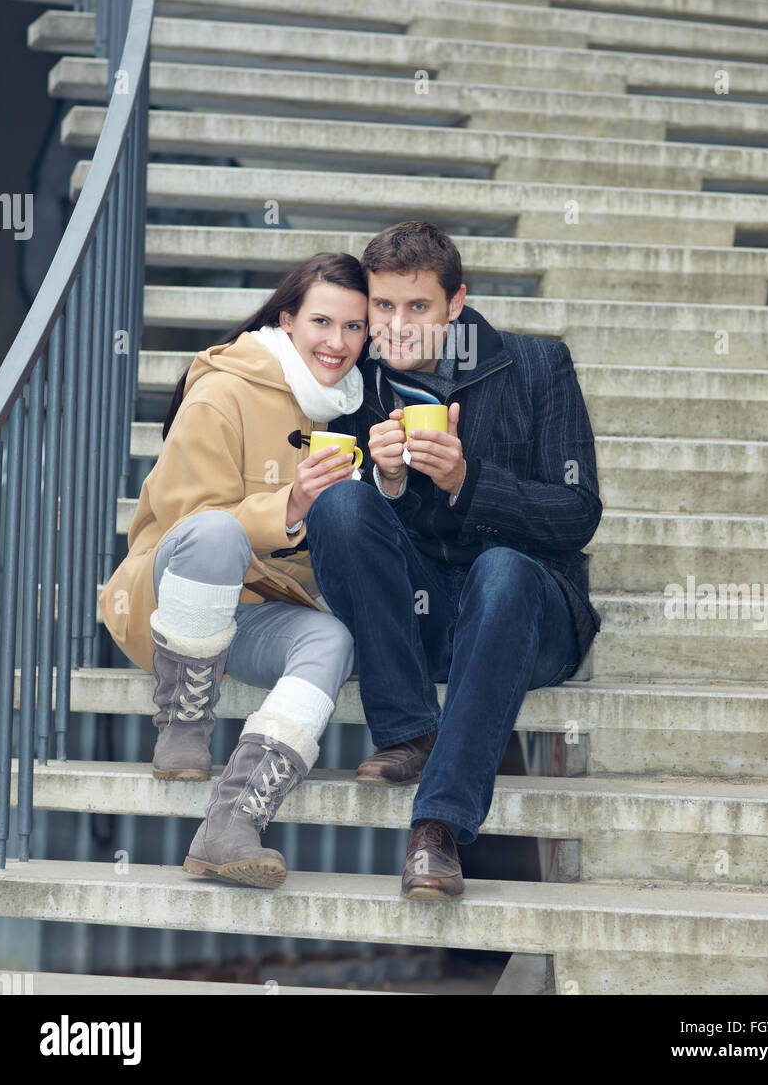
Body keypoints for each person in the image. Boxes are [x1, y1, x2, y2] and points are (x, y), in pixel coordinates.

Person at [307, 221, 603, 901]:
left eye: (418, 308)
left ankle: (437, 825)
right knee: (340, 507)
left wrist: (467, 481)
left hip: (529, 616)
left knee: (502, 569)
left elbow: (578, 511)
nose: (398, 327)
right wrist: (380, 484)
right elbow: (343, 538)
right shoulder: (355, 384)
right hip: (427, 625)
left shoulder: (537, 366)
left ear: (456, 304)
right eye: (382, 308)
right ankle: (409, 726)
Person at [98, 253, 368, 888]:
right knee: (218, 531)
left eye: (354, 327)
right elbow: (193, 525)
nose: (338, 342)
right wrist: (292, 504)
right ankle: (184, 720)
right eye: (322, 322)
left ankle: (235, 818)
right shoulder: (224, 390)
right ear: (286, 319)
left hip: (254, 610)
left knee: (332, 640)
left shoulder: (349, 405)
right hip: (174, 596)